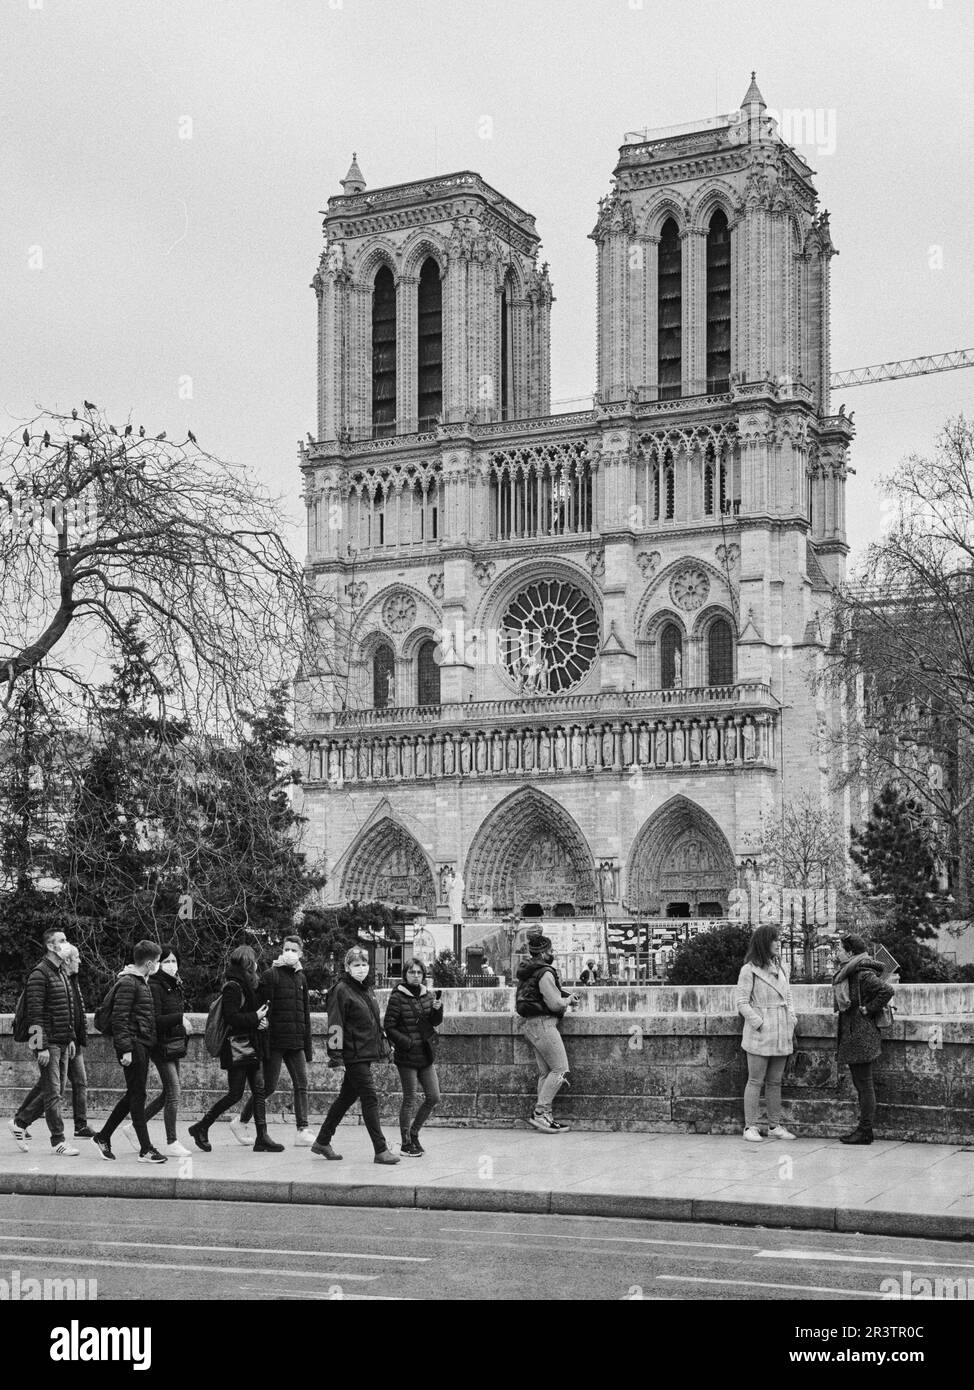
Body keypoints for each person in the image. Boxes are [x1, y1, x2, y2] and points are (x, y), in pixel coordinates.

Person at [188, 945, 284, 1154]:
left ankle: (262, 1137)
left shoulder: (251, 985)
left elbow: (253, 1013)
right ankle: (201, 1127)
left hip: (251, 1044)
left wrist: (260, 1022)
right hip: (237, 1047)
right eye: (254, 961)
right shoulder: (233, 986)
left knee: (259, 1091)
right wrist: (255, 1018)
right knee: (235, 1093)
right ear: (249, 964)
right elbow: (231, 1018)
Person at [310, 947, 400, 1164]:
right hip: (353, 1054)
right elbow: (335, 1024)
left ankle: (322, 1141)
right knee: (370, 1098)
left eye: (364, 964)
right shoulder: (341, 990)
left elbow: (372, 1023)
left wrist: (384, 1048)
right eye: (356, 965)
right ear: (347, 967)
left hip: (364, 1052)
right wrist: (336, 1055)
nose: (361, 968)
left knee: (346, 1098)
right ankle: (380, 1149)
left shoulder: (364, 989)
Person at [233, 933, 314, 1147]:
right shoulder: (271, 975)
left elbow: (305, 1013)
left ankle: (302, 1129)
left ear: (301, 954)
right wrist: (263, 1026)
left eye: (294, 950)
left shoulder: (301, 978)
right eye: (286, 949)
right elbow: (260, 1005)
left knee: (302, 1084)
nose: (289, 953)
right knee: (268, 1087)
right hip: (276, 1041)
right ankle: (241, 1120)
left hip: (295, 1041)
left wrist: (308, 1047)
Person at [91, 940, 167, 1164]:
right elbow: (119, 1019)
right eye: (159, 962)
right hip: (133, 1045)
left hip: (139, 1044)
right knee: (137, 1095)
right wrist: (125, 1050)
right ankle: (145, 1149)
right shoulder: (129, 983)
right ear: (151, 962)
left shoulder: (139, 981)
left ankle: (103, 1137)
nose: (159, 966)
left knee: (133, 1095)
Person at [9, 927, 80, 1157]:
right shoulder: (40, 974)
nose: (66, 943)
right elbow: (35, 1013)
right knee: (53, 1093)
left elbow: (66, 1009)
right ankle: (58, 1140)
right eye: (62, 940)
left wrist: (70, 1038)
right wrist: (40, 1046)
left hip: (61, 1041)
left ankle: (20, 1123)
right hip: (48, 1043)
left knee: (53, 1088)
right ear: (51, 946)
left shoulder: (60, 972)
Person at [735, 924, 798, 1142]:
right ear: (764, 943)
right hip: (760, 1031)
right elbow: (742, 1002)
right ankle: (750, 1126)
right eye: (774, 940)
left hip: (781, 1028)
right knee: (755, 1080)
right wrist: (759, 1022)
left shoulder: (782, 968)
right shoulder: (749, 970)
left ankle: (774, 1125)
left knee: (774, 1082)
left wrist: (792, 1020)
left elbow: (788, 997)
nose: (778, 943)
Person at [832, 932, 894, 1146]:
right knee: (862, 1084)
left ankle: (865, 1131)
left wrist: (868, 1009)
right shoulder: (851, 971)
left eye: (840, 949)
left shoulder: (862, 974)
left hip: (861, 1035)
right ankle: (864, 1130)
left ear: (850, 953)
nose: (837, 952)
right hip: (855, 1034)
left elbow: (887, 990)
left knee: (864, 1085)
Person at [515, 934, 578, 1134]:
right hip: (544, 1024)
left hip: (531, 1024)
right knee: (560, 1070)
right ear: (543, 952)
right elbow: (554, 1003)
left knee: (546, 1072)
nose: (552, 954)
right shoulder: (545, 972)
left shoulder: (528, 971)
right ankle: (541, 1113)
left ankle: (545, 1115)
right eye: (551, 951)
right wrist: (569, 1001)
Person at [133, 943, 191, 1158]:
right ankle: (171, 1141)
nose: (171, 965)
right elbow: (155, 1020)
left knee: (168, 1092)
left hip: (173, 1045)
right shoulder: (155, 986)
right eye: (166, 961)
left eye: (174, 961)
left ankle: (135, 1126)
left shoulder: (174, 985)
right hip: (160, 1046)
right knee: (174, 1092)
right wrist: (179, 1019)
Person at [383, 957, 443, 1156]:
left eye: (419, 973)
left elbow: (434, 1022)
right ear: (405, 974)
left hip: (425, 1054)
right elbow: (389, 1027)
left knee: (433, 1096)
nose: (416, 976)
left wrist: (437, 1009)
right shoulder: (397, 997)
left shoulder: (428, 995)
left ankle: (414, 1132)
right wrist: (406, 1043)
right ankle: (406, 1143)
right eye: (412, 972)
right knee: (409, 1098)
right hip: (407, 1055)